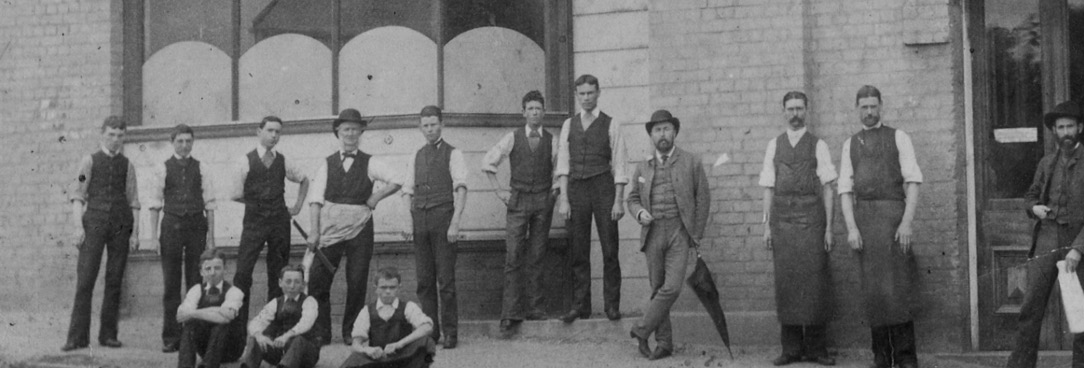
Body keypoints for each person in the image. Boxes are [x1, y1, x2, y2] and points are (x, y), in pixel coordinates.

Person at [839, 86, 923, 368]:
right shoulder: (850, 144)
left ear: (881, 106)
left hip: (894, 221)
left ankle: (906, 356)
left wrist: (907, 222)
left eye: (874, 106)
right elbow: (845, 190)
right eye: (864, 107)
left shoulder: (899, 137)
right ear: (857, 109)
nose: (870, 112)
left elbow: (912, 182)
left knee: (899, 288)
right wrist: (852, 228)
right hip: (865, 223)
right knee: (874, 292)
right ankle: (881, 355)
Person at [307, 108, 404, 345]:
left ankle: (351, 331)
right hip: (330, 229)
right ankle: (322, 332)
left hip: (361, 229)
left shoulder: (370, 162)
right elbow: (315, 200)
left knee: (358, 280)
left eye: (355, 129)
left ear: (361, 132)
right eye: (346, 129)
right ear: (338, 132)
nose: (350, 133)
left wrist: (375, 198)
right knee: (319, 279)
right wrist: (314, 231)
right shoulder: (327, 163)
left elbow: (398, 179)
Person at [758, 92, 837, 366]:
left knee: (814, 282)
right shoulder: (773, 145)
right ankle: (790, 349)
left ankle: (816, 349)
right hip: (782, 222)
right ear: (783, 111)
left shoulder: (819, 145)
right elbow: (768, 187)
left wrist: (828, 227)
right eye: (790, 109)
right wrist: (766, 225)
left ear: (806, 111)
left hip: (812, 221)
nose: (795, 114)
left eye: (799, 109)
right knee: (787, 282)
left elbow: (828, 188)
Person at [626, 110, 711, 361]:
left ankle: (641, 330)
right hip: (652, 233)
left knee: (671, 287)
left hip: (678, 231)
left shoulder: (691, 161)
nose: (662, 135)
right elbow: (632, 198)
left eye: (666, 129)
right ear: (651, 135)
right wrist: (639, 212)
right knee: (657, 288)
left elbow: (703, 199)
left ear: (674, 132)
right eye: (657, 130)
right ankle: (664, 343)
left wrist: (696, 234)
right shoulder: (643, 165)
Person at [1006, 100, 1084, 368]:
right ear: (1054, 131)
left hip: (1077, 241)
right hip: (1048, 238)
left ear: (1080, 127)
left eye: (1070, 126)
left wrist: (1078, 248)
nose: (1065, 132)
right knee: (1030, 308)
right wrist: (1033, 208)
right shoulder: (1046, 163)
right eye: (1060, 127)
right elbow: (1030, 195)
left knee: (1081, 314)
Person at [481, 90, 560, 338]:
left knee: (537, 254)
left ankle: (536, 309)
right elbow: (488, 162)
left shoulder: (552, 139)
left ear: (544, 112)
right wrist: (499, 191)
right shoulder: (512, 137)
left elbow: (559, 169)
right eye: (531, 108)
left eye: (539, 108)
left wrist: (554, 193)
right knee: (513, 255)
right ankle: (511, 313)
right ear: (523, 112)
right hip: (518, 200)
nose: (535, 113)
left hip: (543, 202)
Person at [229, 115, 310, 357]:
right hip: (254, 222)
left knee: (280, 275)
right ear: (259, 131)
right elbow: (235, 194)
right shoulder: (245, 161)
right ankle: (239, 338)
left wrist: (296, 206)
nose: (274, 135)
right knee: (243, 275)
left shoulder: (283, 161)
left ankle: (274, 337)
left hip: (279, 223)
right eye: (270, 130)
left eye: (278, 132)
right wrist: (258, 204)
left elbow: (305, 180)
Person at [555, 74, 630, 323]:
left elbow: (619, 164)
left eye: (590, 93)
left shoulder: (611, 123)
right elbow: (563, 165)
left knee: (610, 248)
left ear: (598, 93)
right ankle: (580, 306)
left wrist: (618, 200)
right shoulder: (569, 125)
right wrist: (564, 198)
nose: (586, 98)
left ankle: (611, 305)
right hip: (576, 188)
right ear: (577, 95)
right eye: (582, 94)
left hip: (603, 187)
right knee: (578, 249)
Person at [63, 115, 141, 351]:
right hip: (94, 223)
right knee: (86, 279)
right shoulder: (88, 162)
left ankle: (108, 335)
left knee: (115, 279)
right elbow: (77, 195)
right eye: (111, 135)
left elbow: (134, 201)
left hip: (120, 225)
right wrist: (78, 227)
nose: (115, 139)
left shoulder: (128, 165)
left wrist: (135, 233)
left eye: (120, 135)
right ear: (102, 135)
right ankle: (77, 337)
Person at [402, 105, 468, 348]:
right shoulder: (416, 155)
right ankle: (432, 332)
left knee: (446, 281)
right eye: (425, 125)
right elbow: (407, 191)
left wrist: (455, 223)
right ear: (420, 128)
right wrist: (409, 222)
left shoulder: (454, 153)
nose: (429, 129)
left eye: (433, 124)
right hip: (420, 223)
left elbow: (461, 188)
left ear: (441, 124)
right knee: (424, 281)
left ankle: (451, 333)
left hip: (444, 221)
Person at [148, 124, 218, 353]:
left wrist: (211, 239)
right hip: (171, 227)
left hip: (197, 226)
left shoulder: (202, 167)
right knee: (171, 284)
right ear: (173, 142)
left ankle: (194, 336)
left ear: (193, 142)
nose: (185, 145)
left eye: (188, 141)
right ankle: (171, 337)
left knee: (196, 282)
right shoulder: (162, 167)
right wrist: (153, 238)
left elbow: (210, 204)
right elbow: (155, 203)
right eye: (180, 141)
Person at [340, 267, 436, 368]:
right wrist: (367, 350)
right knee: (354, 359)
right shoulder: (367, 311)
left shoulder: (408, 307)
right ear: (376, 288)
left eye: (392, 287)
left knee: (427, 342)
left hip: (403, 358)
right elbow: (355, 344)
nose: (388, 291)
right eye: (383, 287)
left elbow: (427, 327)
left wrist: (400, 344)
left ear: (399, 287)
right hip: (378, 360)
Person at [242, 264, 321, 368]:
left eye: (297, 282)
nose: (292, 286)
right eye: (288, 281)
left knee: (299, 340)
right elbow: (257, 321)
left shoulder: (309, 301)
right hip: (281, 352)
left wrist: (286, 336)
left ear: (303, 285)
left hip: (306, 354)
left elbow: (306, 323)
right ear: (280, 283)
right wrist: (258, 335)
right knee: (255, 338)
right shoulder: (276, 302)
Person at [177, 249, 244, 368]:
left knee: (221, 325)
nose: (212, 273)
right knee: (189, 325)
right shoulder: (196, 289)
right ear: (201, 272)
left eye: (217, 268)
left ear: (225, 269)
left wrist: (193, 313)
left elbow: (226, 318)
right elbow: (181, 316)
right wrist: (217, 310)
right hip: (204, 349)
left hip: (231, 349)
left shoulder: (234, 291)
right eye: (208, 269)